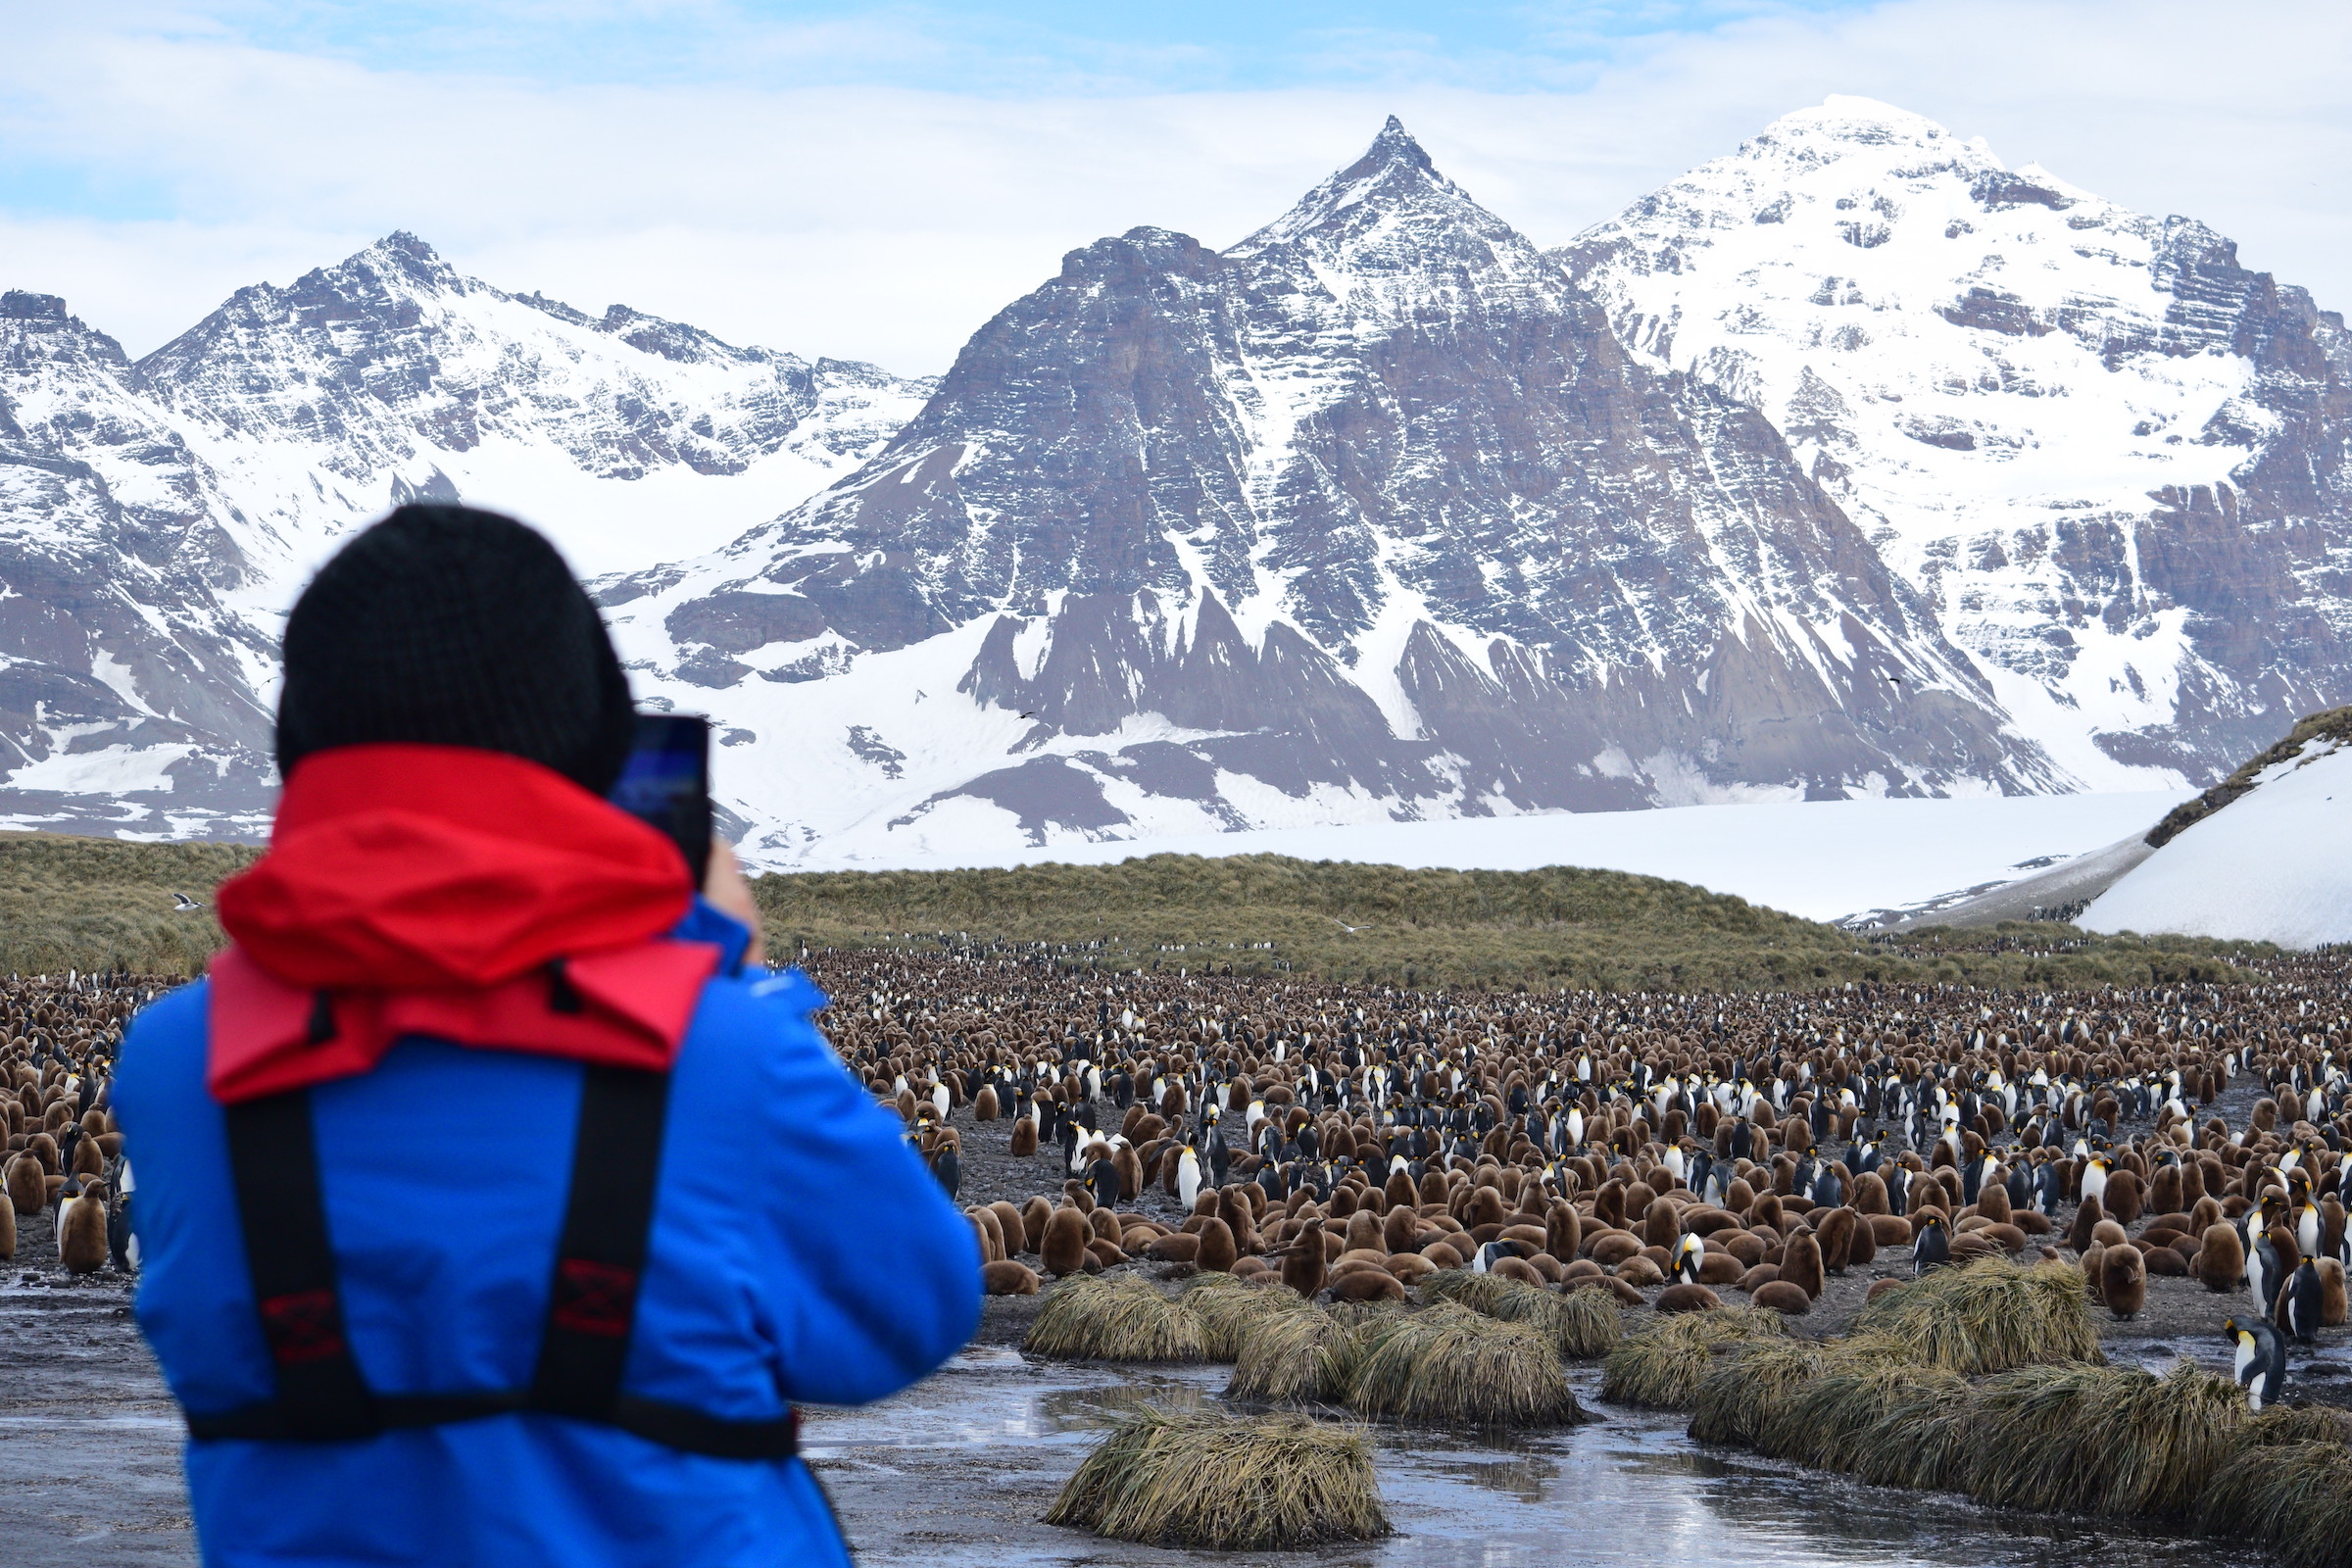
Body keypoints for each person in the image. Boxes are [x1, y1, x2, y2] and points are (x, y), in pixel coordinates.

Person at [114, 505, 978, 1567]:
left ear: (304, 747)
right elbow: (909, 1316)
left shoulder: (176, 1065)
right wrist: (735, 982)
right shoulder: (717, 1051)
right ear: (593, 752)